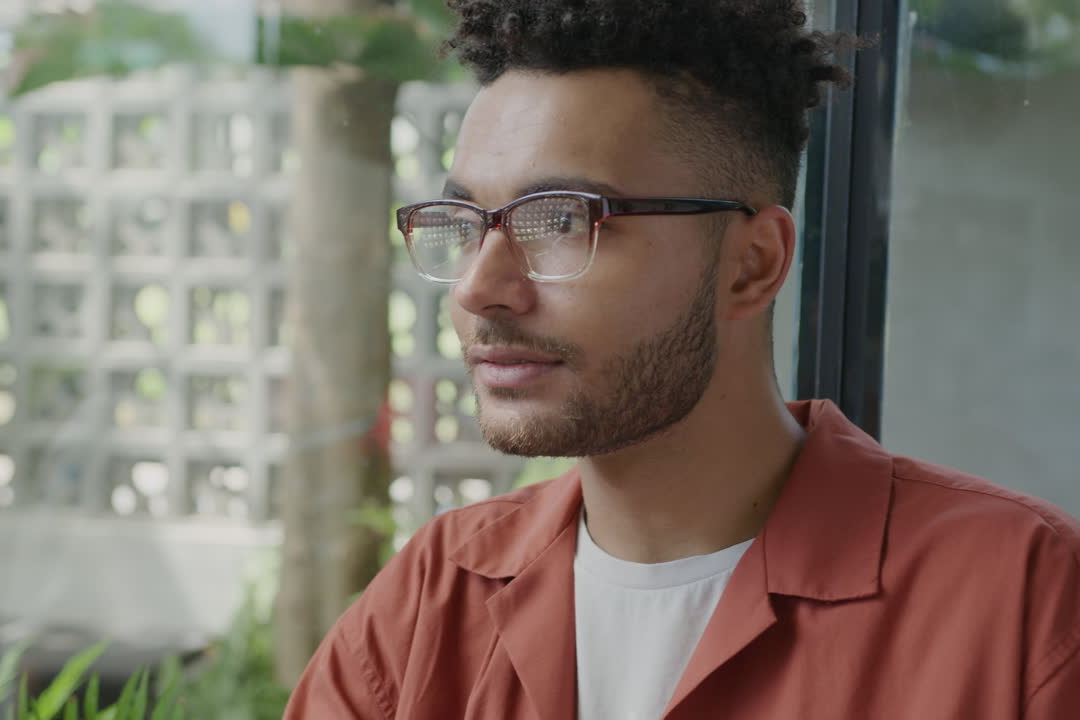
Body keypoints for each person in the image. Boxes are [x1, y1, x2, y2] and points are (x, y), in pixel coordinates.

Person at [283, 1, 1080, 718]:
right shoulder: (431, 600)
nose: (478, 288)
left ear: (753, 264)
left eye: (561, 221)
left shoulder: (1023, 603)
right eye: (465, 219)